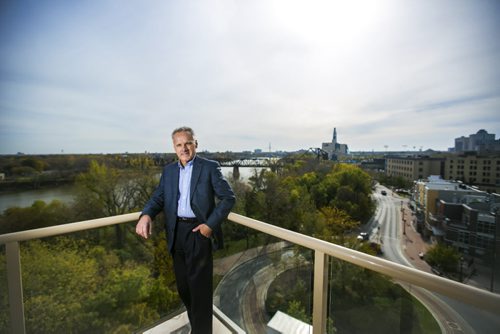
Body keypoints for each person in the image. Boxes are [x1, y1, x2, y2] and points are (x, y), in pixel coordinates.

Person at [135, 126, 235, 333]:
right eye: (179, 144)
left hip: (198, 233)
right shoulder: (169, 171)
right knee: (184, 288)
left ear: (195, 144)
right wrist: (146, 215)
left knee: (200, 291)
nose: (184, 148)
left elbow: (228, 198)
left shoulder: (209, 167)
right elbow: (158, 198)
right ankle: (197, 327)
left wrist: (209, 225)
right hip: (175, 233)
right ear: (174, 148)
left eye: (188, 143)